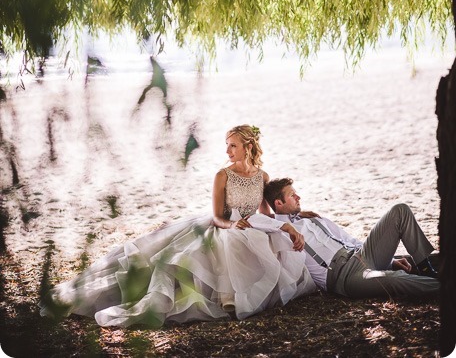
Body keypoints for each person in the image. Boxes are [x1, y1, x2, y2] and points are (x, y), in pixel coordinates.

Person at [40, 127, 316, 327]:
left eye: (233, 145)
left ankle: (246, 297)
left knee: (270, 244)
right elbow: (217, 216)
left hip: (251, 227)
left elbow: (265, 214)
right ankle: (227, 300)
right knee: (185, 257)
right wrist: (232, 224)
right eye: (227, 145)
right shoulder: (222, 175)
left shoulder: (262, 176)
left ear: (248, 147)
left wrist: (293, 220)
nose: (228, 151)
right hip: (225, 226)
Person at [263, 178, 440, 299]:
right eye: (292, 195)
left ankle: (426, 268)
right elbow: (252, 222)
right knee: (395, 280)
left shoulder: (313, 218)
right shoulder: (278, 231)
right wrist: (285, 226)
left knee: (400, 210)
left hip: (361, 254)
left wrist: (391, 261)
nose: (298, 197)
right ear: (278, 203)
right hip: (346, 278)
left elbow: (349, 239)